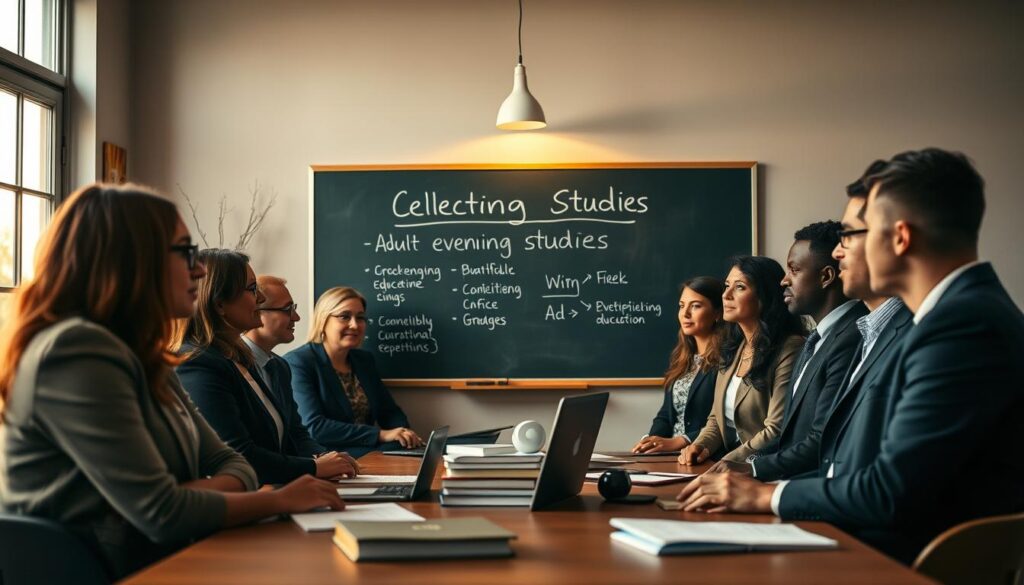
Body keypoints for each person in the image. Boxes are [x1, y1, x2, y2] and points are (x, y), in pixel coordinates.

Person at [679, 148, 1024, 564]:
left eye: (851, 234)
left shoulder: (962, 327)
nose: (840, 252)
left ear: (900, 236)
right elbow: (850, 467)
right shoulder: (947, 317)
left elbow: (889, 491)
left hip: (892, 561)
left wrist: (765, 494)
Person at [0, 184, 345, 580]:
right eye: (185, 253)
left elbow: (232, 464)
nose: (199, 270)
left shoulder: (146, 354)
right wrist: (275, 500)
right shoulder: (76, 349)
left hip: (162, 558)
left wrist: (191, 493)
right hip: (111, 570)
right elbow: (162, 513)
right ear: (131, 261)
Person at [173, 250, 357, 485]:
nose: (260, 299)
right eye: (252, 290)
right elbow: (238, 455)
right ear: (219, 304)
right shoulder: (197, 363)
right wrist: (313, 467)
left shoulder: (241, 360)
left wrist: (325, 461)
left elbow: (291, 436)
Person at [709, 221, 866, 478]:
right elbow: (790, 434)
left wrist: (751, 469)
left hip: (808, 487)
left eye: (794, 270)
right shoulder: (817, 340)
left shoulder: (851, 336)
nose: (784, 280)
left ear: (826, 277)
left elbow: (820, 439)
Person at [679, 256, 804, 465]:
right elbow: (716, 421)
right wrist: (699, 446)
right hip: (728, 466)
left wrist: (728, 463)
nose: (726, 295)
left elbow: (776, 429)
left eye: (739, 287)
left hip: (764, 469)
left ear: (765, 296)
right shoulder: (733, 348)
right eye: (726, 286)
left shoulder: (790, 348)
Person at [285, 286, 423, 457]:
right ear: (323, 320)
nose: (354, 325)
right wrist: (380, 435)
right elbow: (315, 427)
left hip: (370, 450)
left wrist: (403, 434)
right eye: (344, 317)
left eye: (360, 317)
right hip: (328, 455)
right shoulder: (299, 362)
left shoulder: (364, 360)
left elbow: (389, 412)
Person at [633, 276, 725, 454]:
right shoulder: (682, 359)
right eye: (682, 306)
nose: (685, 314)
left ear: (717, 313)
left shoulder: (727, 361)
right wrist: (650, 441)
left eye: (696, 306)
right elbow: (665, 415)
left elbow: (726, 422)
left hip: (704, 454)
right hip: (670, 455)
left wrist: (680, 441)